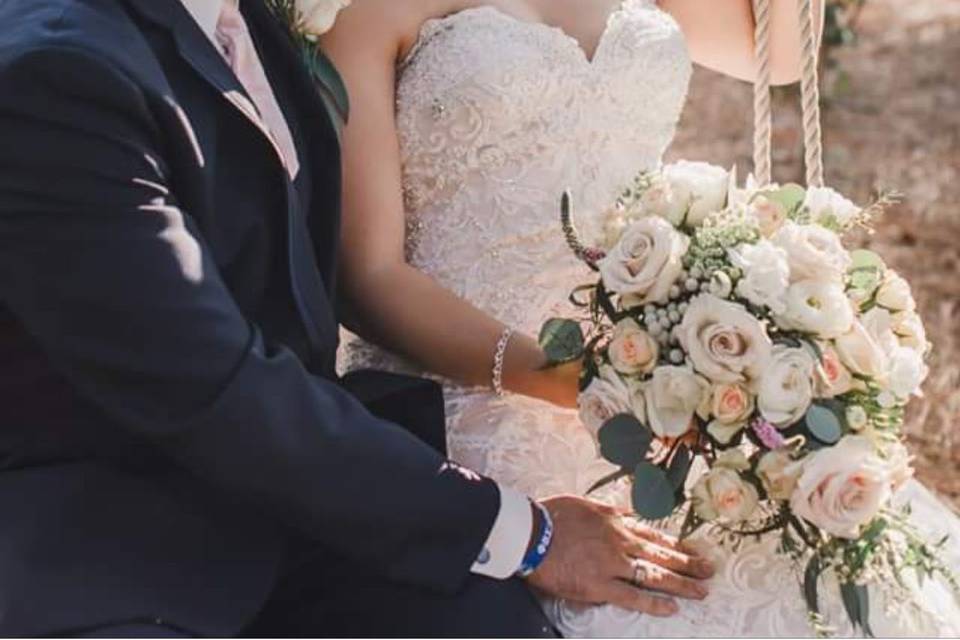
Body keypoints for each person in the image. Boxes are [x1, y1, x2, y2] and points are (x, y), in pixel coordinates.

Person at [0, 0, 714, 636]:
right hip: (115, 547)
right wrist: (524, 533)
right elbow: (212, 386)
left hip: (289, 518)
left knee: (500, 620)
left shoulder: (245, 24)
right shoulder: (59, 73)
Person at [329, 0, 960, 635]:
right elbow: (368, 277)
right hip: (475, 412)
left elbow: (785, 51)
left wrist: (681, 380)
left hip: (668, 391)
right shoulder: (363, 11)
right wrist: (579, 380)